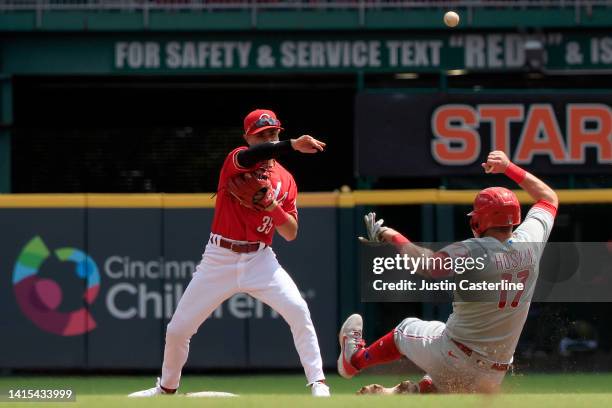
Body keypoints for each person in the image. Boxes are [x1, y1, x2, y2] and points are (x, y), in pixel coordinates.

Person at [129, 109, 330, 397]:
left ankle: (318, 383)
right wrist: (292, 145)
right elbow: (251, 157)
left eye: (273, 132)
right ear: (247, 137)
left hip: (261, 259)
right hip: (219, 257)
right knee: (177, 330)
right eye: (261, 134)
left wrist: (273, 207)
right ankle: (166, 389)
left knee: (298, 310)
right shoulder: (237, 159)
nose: (268, 137)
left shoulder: (286, 180)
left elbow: (291, 232)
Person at [340, 150, 558, 393]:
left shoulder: (474, 248)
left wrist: (391, 235)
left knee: (405, 329)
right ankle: (404, 394)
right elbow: (548, 197)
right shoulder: (531, 240)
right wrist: (508, 167)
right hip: (494, 373)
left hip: (454, 356)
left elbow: (429, 266)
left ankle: (354, 361)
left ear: (478, 221)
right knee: (435, 380)